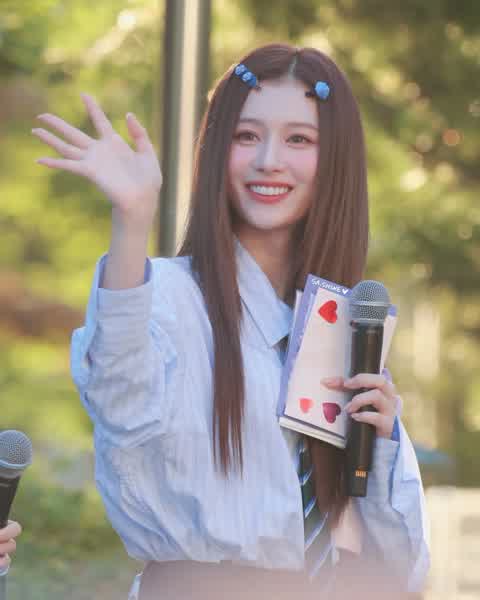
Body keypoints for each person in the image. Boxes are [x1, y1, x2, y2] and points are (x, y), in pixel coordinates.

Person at [33, 43, 430, 599]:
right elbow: (119, 397)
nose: (269, 159)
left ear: (335, 160)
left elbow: (404, 570)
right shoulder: (164, 296)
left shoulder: (341, 329)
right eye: (246, 136)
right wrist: (131, 220)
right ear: (218, 149)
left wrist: (381, 441)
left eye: (299, 139)